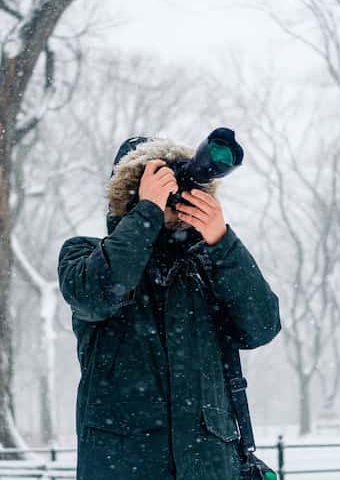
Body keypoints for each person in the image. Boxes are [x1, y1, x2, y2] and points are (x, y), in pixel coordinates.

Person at [57, 135, 281, 480]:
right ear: (129, 197)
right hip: (123, 467)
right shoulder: (83, 255)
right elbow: (98, 292)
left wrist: (222, 241)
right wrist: (147, 213)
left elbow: (262, 326)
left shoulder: (209, 268)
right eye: (162, 190)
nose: (173, 201)